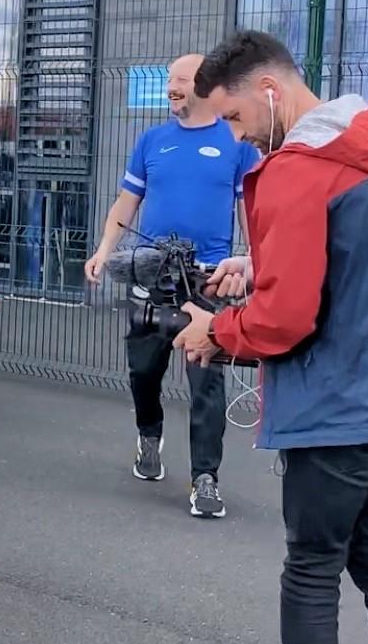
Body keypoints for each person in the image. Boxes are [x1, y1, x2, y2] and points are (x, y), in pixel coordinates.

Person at [179, 29, 368, 644]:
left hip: (332, 406)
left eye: (234, 119)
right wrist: (260, 262)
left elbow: (286, 320)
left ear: (268, 93)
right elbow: (358, 267)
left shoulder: (299, 172)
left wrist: (217, 330)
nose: (236, 136)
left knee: (311, 567)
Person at [85, 53, 259, 518]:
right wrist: (105, 248)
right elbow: (127, 201)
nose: (171, 88)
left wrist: (259, 263)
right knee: (144, 371)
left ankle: (206, 478)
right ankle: (149, 434)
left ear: (203, 84)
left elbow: (250, 212)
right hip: (151, 273)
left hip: (208, 281)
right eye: (169, 81)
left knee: (207, 382)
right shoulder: (152, 141)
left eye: (179, 81)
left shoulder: (236, 141)